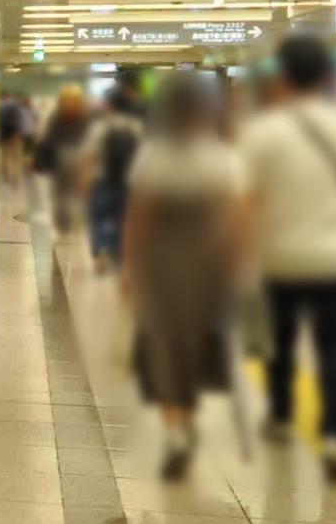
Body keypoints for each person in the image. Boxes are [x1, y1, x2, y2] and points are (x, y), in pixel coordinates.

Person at [121, 73, 248, 481]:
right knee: (198, 342)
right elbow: (236, 219)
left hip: (160, 263)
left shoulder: (153, 156)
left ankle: (176, 427)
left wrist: (130, 268)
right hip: (209, 264)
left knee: (162, 340)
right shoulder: (224, 157)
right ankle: (187, 414)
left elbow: (138, 218)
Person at [238, 32, 336, 483]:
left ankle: (281, 417)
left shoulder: (263, 132)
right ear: (326, 76)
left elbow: (246, 203)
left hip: (278, 259)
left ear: (282, 76)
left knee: (279, 341)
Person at [81, 86, 144, 272]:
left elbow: (90, 157)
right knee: (122, 218)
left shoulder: (100, 128)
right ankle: (118, 254)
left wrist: (83, 182)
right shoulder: (135, 127)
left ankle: (101, 252)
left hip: (103, 180)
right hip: (127, 181)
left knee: (98, 218)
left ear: (109, 106)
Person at [35, 85, 90, 232]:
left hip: (72, 159)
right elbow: (49, 139)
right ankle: (67, 222)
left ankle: (67, 223)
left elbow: (48, 138)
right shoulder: (64, 117)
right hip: (67, 159)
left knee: (67, 194)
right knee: (64, 194)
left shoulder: (76, 118)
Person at [0, 93, 25, 187]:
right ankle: (16, 178)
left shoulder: (0, 107)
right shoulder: (16, 106)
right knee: (16, 157)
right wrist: (20, 132)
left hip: (4, 135)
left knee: (4, 157)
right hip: (15, 134)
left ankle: (7, 177)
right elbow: (19, 120)